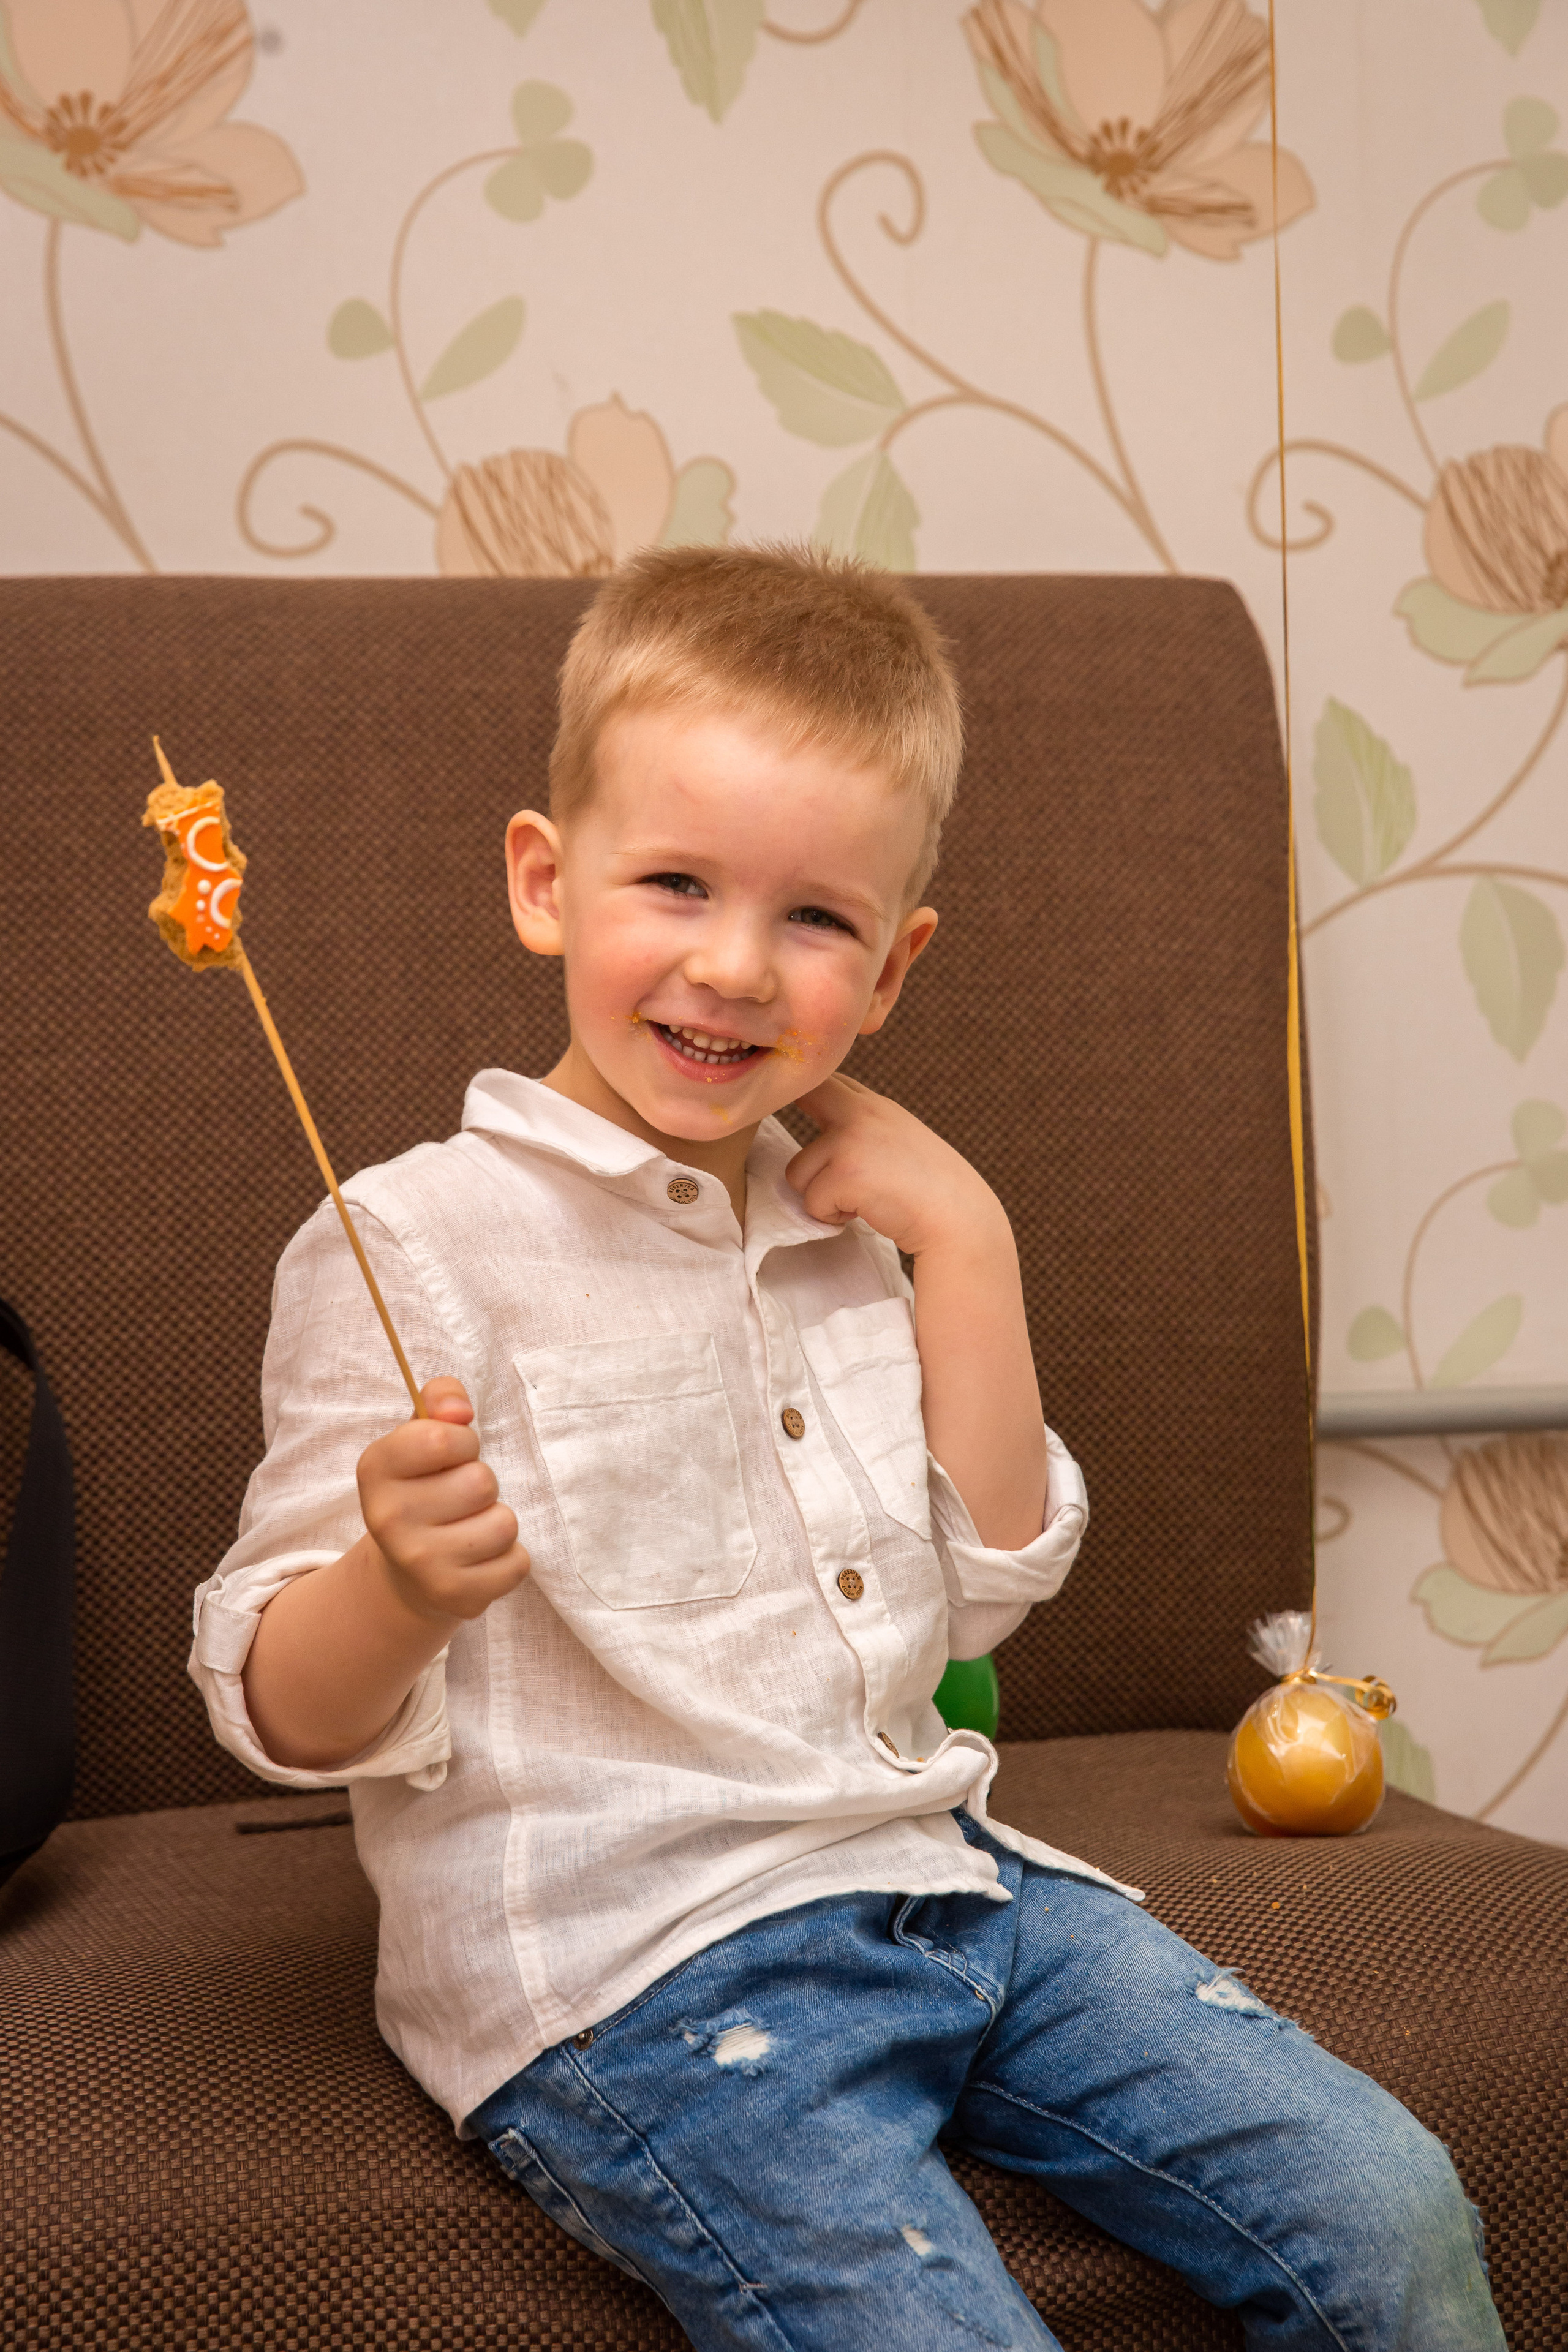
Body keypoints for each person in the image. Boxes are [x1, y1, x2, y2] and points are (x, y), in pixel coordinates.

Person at [190, 546, 1504, 2352]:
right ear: (543, 882)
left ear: (894, 968)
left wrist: (970, 1246)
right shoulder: (405, 1250)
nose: (734, 967)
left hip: (943, 1881)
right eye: (674, 884)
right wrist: (395, 1586)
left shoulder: (853, 1234)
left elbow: (985, 1590)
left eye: (816, 919)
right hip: (630, 1975)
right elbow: (278, 1707)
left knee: (1389, 2206)